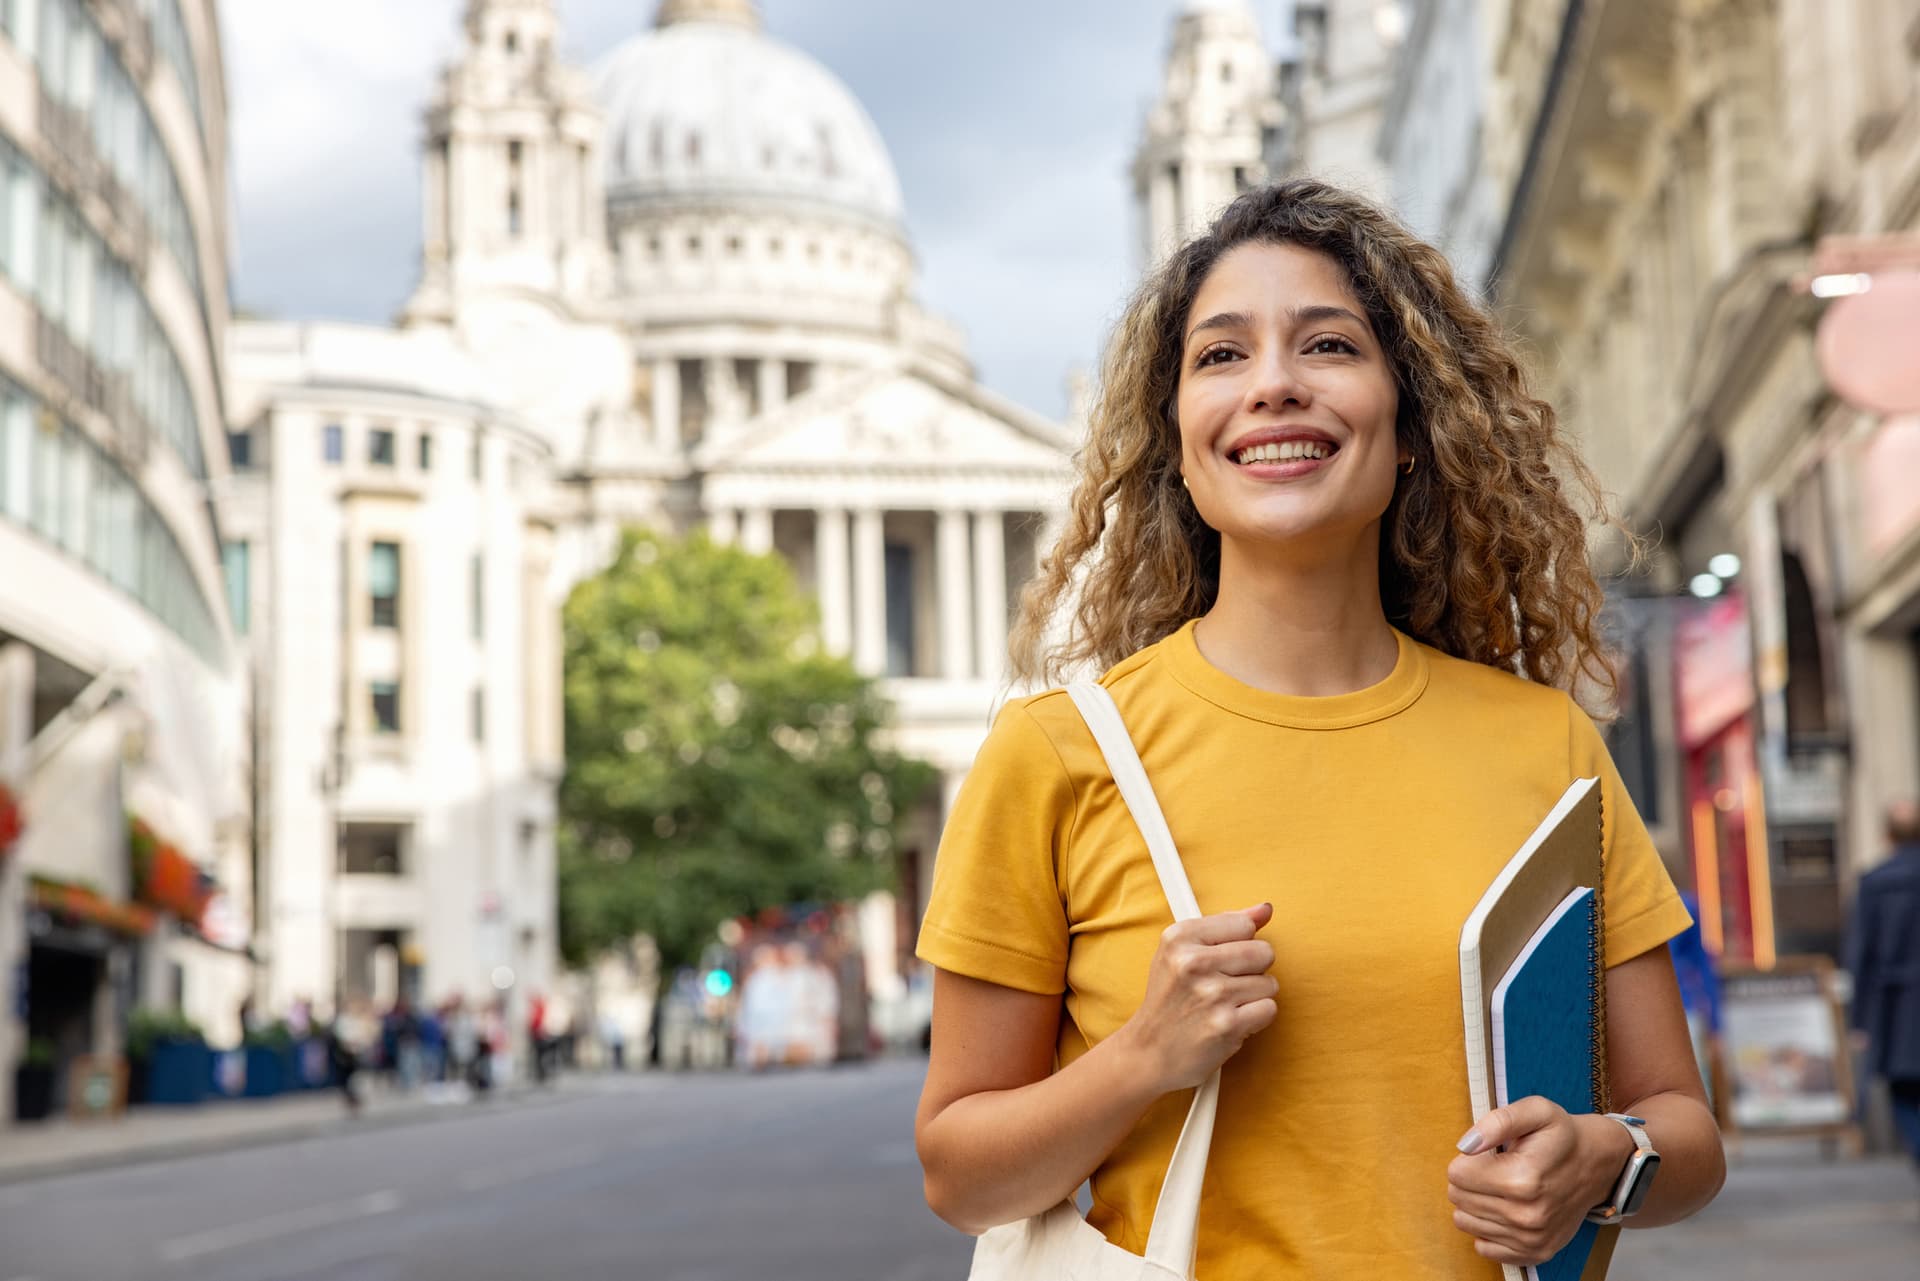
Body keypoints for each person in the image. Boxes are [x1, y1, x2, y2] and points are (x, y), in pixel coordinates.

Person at [913, 180, 1726, 1278]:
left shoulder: (1546, 747)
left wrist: (1598, 1158)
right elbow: (961, 1179)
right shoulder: (1061, 754)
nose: (1276, 386)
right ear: (1181, 452)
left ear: (1408, 429)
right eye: (1221, 356)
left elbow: (1684, 1134)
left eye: (1329, 345)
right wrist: (1145, 1056)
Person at [1844, 799, 1920, 1172]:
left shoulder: (1875, 882)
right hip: (1897, 997)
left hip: (1895, 1005)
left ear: (1886, 834)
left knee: (1902, 1089)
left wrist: (1860, 1020)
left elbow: (1862, 952)